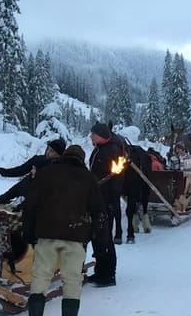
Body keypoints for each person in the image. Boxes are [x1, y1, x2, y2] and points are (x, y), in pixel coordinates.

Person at [23, 145, 105, 316]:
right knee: (72, 281)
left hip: (46, 234)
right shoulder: (89, 178)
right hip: (76, 237)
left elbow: (30, 205)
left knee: (40, 279)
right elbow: (99, 212)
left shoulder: (45, 173)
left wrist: (29, 233)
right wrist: (96, 236)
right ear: (82, 160)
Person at [86, 123, 121, 287]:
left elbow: (116, 180)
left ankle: (108, 275)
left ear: (100, 135)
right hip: (96, 198)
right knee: (97, 237)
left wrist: (112, 203)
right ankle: (100, 271)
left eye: (93, 134)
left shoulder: (111, 151)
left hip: (105, 201)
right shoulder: (100, 149)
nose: (91, 137)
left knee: (105, 237)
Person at [0, 139, 66, 207]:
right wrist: (4, 172)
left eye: (52, 151)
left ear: (59, 155)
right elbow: (21, 170)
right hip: (26, 184)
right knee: (9, 194)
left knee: (22, 207)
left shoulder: (61, 167)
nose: (48, 152)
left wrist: (37, 174)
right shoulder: (37, 160)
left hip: (40, 196)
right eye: (48, 149)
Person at [172, 144, 191, 212]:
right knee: (179, 192)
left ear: (183, 149)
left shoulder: (190, 157)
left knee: (187, 192)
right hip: (178, 177)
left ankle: (185, 206)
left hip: (189, 176)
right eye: (176, 149)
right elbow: (170, 167)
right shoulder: (174, 158)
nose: (177, 151)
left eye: (179, 149)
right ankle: (179, 206)